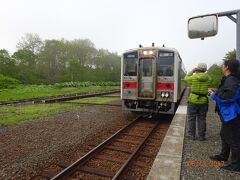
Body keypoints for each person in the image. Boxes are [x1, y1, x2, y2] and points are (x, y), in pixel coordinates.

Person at [209, 59, 240, 172]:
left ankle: (236, 165)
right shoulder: (230, 79)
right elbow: (226, 92)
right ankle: (223, 156)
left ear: (227, 67)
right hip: (227, 113)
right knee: (224, 134)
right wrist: (216, 91)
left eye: (223, 65)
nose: (222, 67)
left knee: (233, 138)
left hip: (232, 114)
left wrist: (214, 96)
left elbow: (230, 97)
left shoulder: (232, 80)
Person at [184, 63, 211, 141]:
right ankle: (201, 136)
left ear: (197, 69)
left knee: (191, 118)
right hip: (203, 100)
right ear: (205, 70)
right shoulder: (208, 78)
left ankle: (191, 135)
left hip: (193, 100)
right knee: (202, 118)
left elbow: (186, 78)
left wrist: (192, 71)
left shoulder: (193, 77)